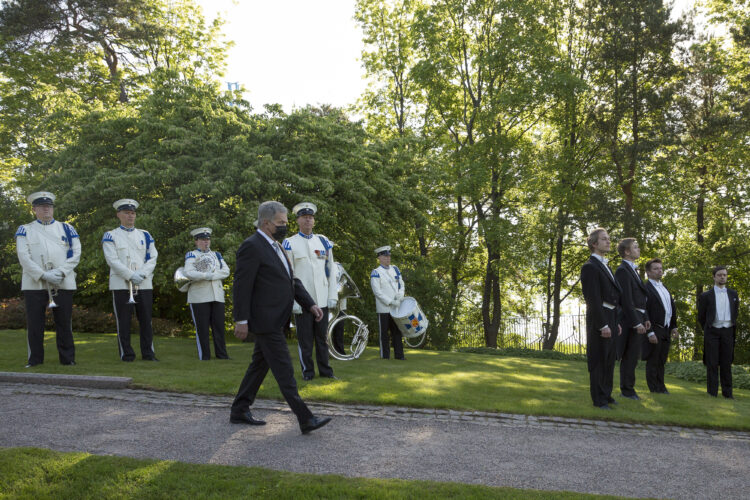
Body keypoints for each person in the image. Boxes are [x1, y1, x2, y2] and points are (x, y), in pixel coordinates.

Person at [230, 201, 332, 434]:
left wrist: (311, 304)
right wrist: (241, 320)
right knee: (285, 370)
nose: (285, 227)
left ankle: (239, 410)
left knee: (258, 366)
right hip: (265, 321)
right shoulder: (252, 246)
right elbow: (241, 286)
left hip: (277, 318)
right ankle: (305, 418)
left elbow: (291, 280)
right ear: (266, 223)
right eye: (281, 223)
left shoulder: (276, 246)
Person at [15, 191, 81, 367]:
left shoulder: (67, 228)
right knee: (35, 324)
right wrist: (43, 275)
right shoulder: (25, 230)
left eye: (49, 206)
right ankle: (35, 360)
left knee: (64, 323)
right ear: (34, 209)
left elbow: (76, 254)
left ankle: (68, 360)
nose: (46, 209)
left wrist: (60, 272)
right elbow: (23, 256)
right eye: (42, 207)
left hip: (62, 282)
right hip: (35, 284)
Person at [282, 202, 338, 380]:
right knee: (305, 341)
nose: (308, 220)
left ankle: (326, 372)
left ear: (314, 221)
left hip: (322, 298)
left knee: (322, 339)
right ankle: (308, 373)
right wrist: (293, 302)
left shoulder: (323, 241)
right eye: (304, 218)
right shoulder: (289, 243)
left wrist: (332, 295)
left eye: (311, 218)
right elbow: (288, 275)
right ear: (298, 220)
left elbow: (332, 270)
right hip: (302, 300)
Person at [102, 199, 159, 362]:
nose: (130, 216)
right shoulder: (110, 235)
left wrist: (141, 274)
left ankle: (149, 354)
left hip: (144, 283)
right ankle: (127, 354)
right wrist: (130, 275)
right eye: (126, 213)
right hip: (121, 284)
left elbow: (152, 257)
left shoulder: (145, 235)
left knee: (146, 321)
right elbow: (112, 260)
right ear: (118, 214)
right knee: (124, 321)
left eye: (132, 213)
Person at [580, 228, 622, 410]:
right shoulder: (590, 267)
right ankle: (598, 399)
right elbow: (593, 299)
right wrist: (603, 324)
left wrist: (616, 322)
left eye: (609, 239)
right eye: (604, 239)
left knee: (610, 358)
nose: (608, 242)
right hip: (600, 318)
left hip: (612, 317)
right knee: (598, 358)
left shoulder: (606, 265)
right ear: (594, 244)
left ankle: (606, 393)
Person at [184, 227, 230, 360]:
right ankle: (204, 356)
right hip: (199, 296)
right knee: (202, 328)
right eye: (203, 240)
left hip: (217, 295)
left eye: (208, 240)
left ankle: (222, 355)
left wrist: (209, 276)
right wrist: (206, 275)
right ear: (196, 241)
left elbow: (226, 271)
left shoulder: (217, 255)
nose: (206, 242)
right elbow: (189, 272)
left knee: (219, 327)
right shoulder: (192, 255)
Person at [614, 238, 650, 400]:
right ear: (627, 251)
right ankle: (627, 390)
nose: (639, 249)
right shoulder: (622, 270)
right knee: (627, 356)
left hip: (638, 317)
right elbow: (626, 299)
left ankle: (629, 389)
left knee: (633, 356)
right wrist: (636, 322)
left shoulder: (633, 270)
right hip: (628, 320)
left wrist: (645, 317)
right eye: (635, 247)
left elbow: (640, 298)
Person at [698, 266, 739, 399]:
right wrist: (709, 327)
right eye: (720, 275)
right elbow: (701, 317)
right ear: (714, 277)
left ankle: (728, 394)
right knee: (712, 363)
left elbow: (735, 313)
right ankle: (712, 393)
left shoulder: (734, 294)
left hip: (728, 331)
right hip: (712, 332)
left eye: (725, 275)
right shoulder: (705, 295)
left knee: (726, 363)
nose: (723, 277)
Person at [643, 258, 678, 394]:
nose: (660, 271)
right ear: (648, 272)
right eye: (656, 269)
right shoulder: (646, 288)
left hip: (666, 329)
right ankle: (654, 388)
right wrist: (649, 332)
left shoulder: (664, 287)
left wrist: (674, 326)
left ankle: (661, 386)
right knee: (653, 360)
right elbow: (644, 310)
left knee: (662, 360)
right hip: (654, 328)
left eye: (661, 268)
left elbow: (671, 308)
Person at [370, 245, 405, 360]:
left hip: (396, 307)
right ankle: (385, 356)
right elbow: (377, 292)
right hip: (384, 308)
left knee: (397, 332)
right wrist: (390, 302)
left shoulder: (395, 269)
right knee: (384, 334)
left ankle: (399, 356)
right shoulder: (376, 272)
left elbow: (401, 284)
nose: (388, 259)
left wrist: (400, 295)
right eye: (385, 257)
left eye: (389, 256)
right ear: (379, 258)